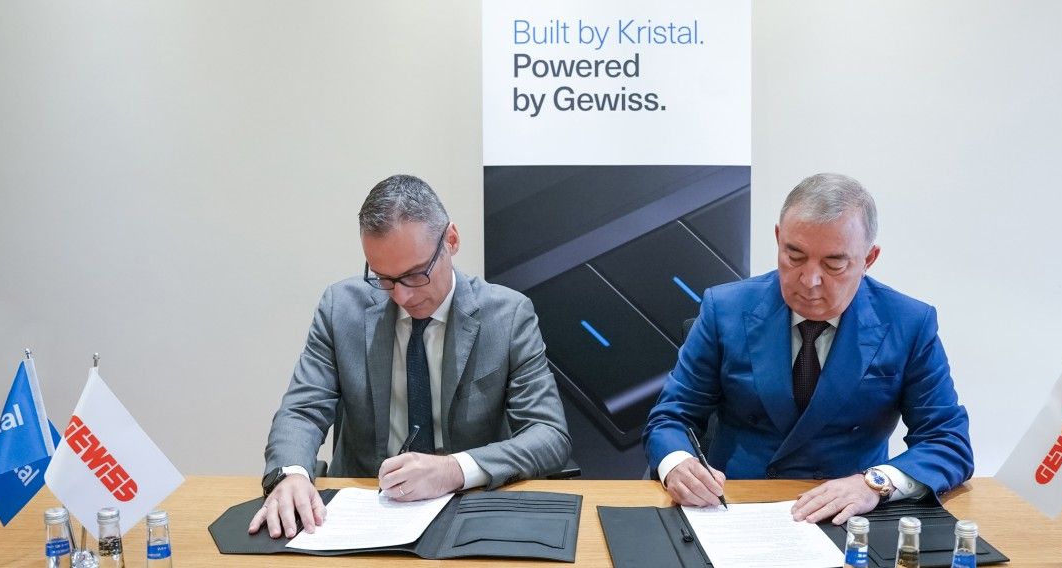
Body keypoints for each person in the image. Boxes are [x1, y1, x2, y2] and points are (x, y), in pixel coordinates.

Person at [249, 174, 571, 538]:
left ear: (451, 240)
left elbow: (548, 434)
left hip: (468, 506)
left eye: (415, 275)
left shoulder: (508, 315)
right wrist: (291, 474)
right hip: (363, 507)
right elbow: (302, 409)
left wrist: (454, 469)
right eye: (384, 278)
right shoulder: (341, 309)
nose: (401, 296)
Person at [643, 172, 972, 524]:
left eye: (834, 264)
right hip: (736, 506)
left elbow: (947, 441)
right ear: (778, 238)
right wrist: (678, 465)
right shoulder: (724, 310)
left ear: (869, 259)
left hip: (849, 514)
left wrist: (875, 483)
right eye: (794, 256)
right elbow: (671, 417)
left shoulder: (908, 323)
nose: (810, 281)